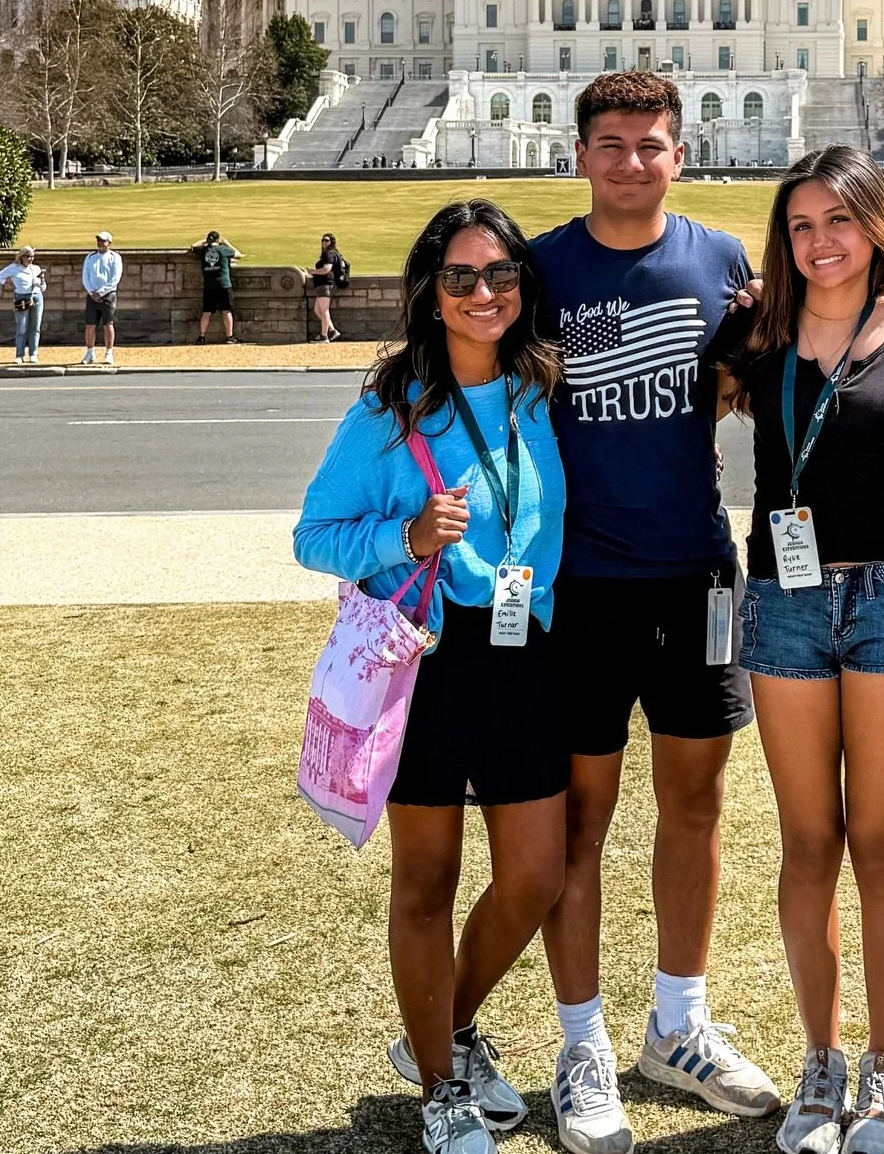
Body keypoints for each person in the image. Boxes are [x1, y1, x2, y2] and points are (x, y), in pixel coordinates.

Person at [531, 70, 780, 1154]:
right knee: (581, 820)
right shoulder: (538, 268)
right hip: (577, 583)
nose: (633, 161)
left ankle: (677, 1022)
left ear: (682, 154)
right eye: (614, 144)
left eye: (653, 145)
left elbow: (744, 382)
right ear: (579, 153)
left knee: (696, 806)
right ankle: (580, 1039)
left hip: (695, 572)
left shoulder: (724, 261)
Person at [294, 199, 569, 1154]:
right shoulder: (391, 405)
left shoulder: (540, 387)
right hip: (425, 660)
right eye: (461, 277)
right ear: (431, 290)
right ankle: (442, 1089)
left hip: (522, 654)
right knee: (428, 880)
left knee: (534, 876)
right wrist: (404, 536)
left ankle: (439, 1029)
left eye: (500, 274)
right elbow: (312, 535)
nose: (483, 292)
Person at [709, 147, 884, 1154]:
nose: (821, 242)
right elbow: (669, 420)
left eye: (840, 222)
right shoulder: (754, 331)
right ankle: (822, 1061)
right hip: (784, 603)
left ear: (878, 226)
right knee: (810, 842)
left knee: (881, 841)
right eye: (802, 225)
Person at [0, 247, 46, 363]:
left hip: (36, 297)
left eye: (32, 256)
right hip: (22, 297)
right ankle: (20, 355)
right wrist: (10, 284)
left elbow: (43, 288)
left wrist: (41, 281)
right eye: (28, 256)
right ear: (22, 257)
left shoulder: (36, 269)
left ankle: (33, 354)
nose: (30, 259)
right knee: (21, 327)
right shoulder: (14, 268)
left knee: (35, 327)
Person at [81, 230, 123, 365]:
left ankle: (109, 352)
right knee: (90, 325)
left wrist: (102, 292)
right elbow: (85, 277)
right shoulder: (90, 257)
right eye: (99, 240)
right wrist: (92, 292)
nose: (100, 243)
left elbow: (115, 278)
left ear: (109, 243)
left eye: (103, 240)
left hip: (108, 295)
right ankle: (90, 353)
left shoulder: (115, 257)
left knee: (108, 324)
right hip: (92, 295)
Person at [192, 230, 241, 343]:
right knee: (226, 310)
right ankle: (229, 337)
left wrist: (205, 241)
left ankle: (202, 337)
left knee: (207, 311)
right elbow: (238, 254)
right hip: (224, 284)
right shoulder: (223, 250)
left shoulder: (203, 251)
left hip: (209, 286)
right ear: (218, 240)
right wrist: (227, 243)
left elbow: (193, 246)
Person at [311, 233, 347, 342]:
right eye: (322, 240)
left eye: (326, 240)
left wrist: (313, 272)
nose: (323, 242)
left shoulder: (329, 254)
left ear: (331, 242)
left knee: (324, 310)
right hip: (323, 285)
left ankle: (324, 336)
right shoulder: (330, 254)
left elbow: (326, 269)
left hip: (325, 284)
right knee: (318, 310)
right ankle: (332, 330)